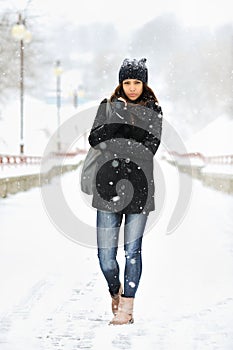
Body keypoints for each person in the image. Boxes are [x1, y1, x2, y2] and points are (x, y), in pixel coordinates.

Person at [87, 58, 163, 325]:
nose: (132, 88)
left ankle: (127, 309)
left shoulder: (154, 110)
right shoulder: (107, 107)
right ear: (120, 83)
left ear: (145, 83)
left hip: (140, 190)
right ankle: (115, 290)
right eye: (127, 82)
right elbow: (95, 140)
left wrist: (116, 142)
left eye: (137, 82)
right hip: (106, 190)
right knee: (106, 257)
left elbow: (148, 149)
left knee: (133, 252)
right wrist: (120, 124)